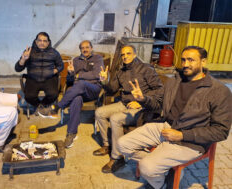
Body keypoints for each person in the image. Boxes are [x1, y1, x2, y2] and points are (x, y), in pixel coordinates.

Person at [117, 46, 232, 188]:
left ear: (203, 62)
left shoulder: (219, 91)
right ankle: (164, 172)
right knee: (122, 144)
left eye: (191, 60)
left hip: (190, 141)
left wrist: (182, 135)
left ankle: (162, 184)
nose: (185, 64)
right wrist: (143, 99)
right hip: (166, 127)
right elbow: (158, 104)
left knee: (147, 167)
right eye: (183, 60)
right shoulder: (174, 82)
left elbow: (221, 131)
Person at [94, 45, 164, 173]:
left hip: (141, 107)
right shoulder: (121, 71)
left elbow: (159, 90)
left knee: (115, 119)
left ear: (135, 54)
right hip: (124, 103)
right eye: (123, 54)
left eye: (128, 53)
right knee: (100, 112)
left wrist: (142, 101)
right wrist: (105, 81)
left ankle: (117, 157)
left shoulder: (146, 69)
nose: (125, 56)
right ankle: (107, 145)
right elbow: (112, 89)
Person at [38, 40, 104, 148]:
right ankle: (72, 133)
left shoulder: (98, 58)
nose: (85, 49)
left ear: (91, 48)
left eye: (87, 47)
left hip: (93, 89)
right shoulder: (76, 61)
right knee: (76, 99)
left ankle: (56, 107)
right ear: (80, 50)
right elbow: (70, 81)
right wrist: (71, 73)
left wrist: (79, 76)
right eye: (82, 48)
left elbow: (96, 75)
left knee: (81, 84)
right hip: (79, 90)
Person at [15, 32, 64, 112]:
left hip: (49, 79)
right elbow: (17, 69)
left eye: (45, 41)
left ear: (48, 42)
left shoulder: (54, 52)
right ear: (36, 41)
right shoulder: (29, 52)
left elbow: (61, 66)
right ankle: (39, 105)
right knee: (29, 97)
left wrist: (53, 71)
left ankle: (43, 104)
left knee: (53, 95)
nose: (42, 43)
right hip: (33, 79)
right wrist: (23, 59)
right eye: (40, 40)